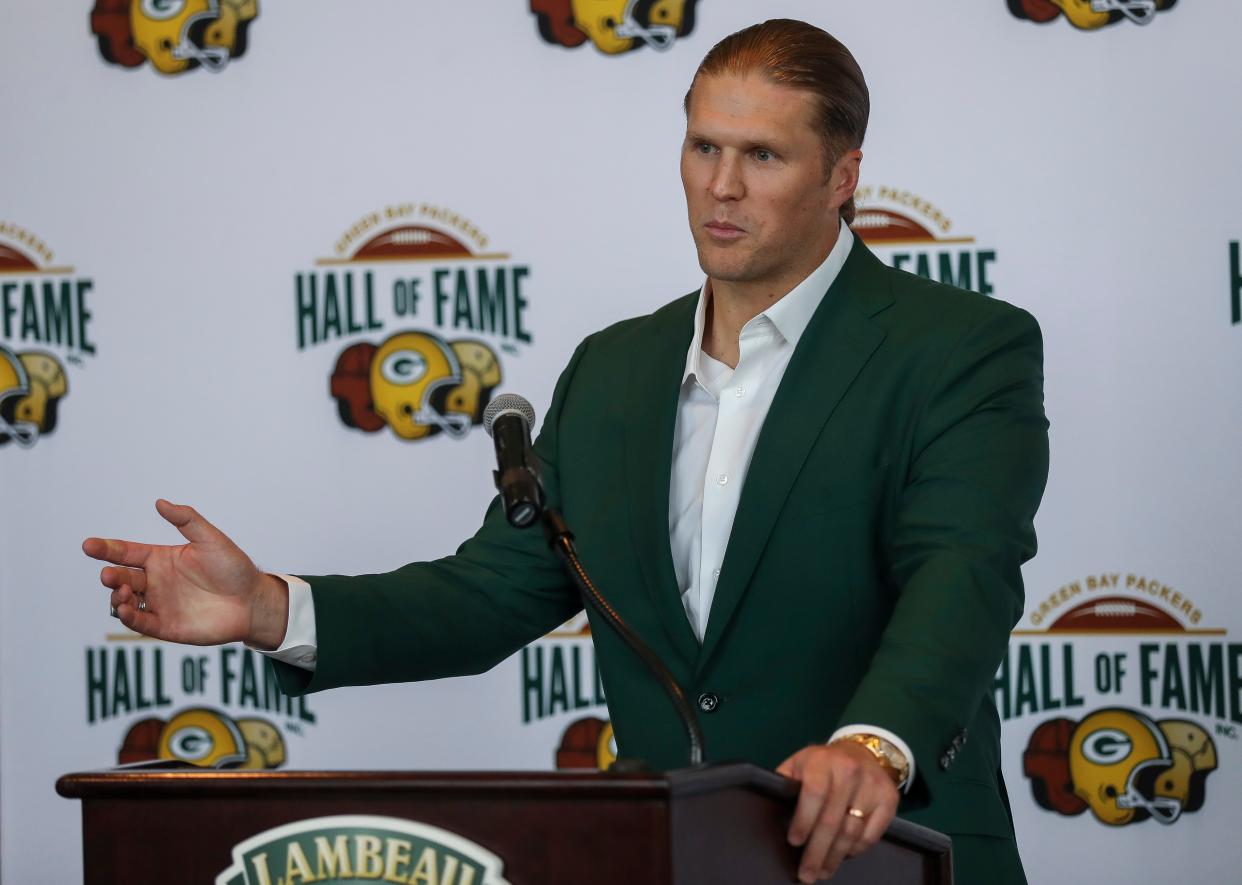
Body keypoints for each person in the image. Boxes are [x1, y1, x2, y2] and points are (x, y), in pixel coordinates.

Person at [84, 19, 1047, 885]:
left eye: (763, 155)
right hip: (680, 861)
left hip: (897, 856)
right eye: (703, 146)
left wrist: (873, 748)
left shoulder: (961, 346)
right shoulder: (614, 368)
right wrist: (268, 607)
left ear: (843, 176)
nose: (721, 185)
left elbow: (960, 574)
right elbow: (491, 591)